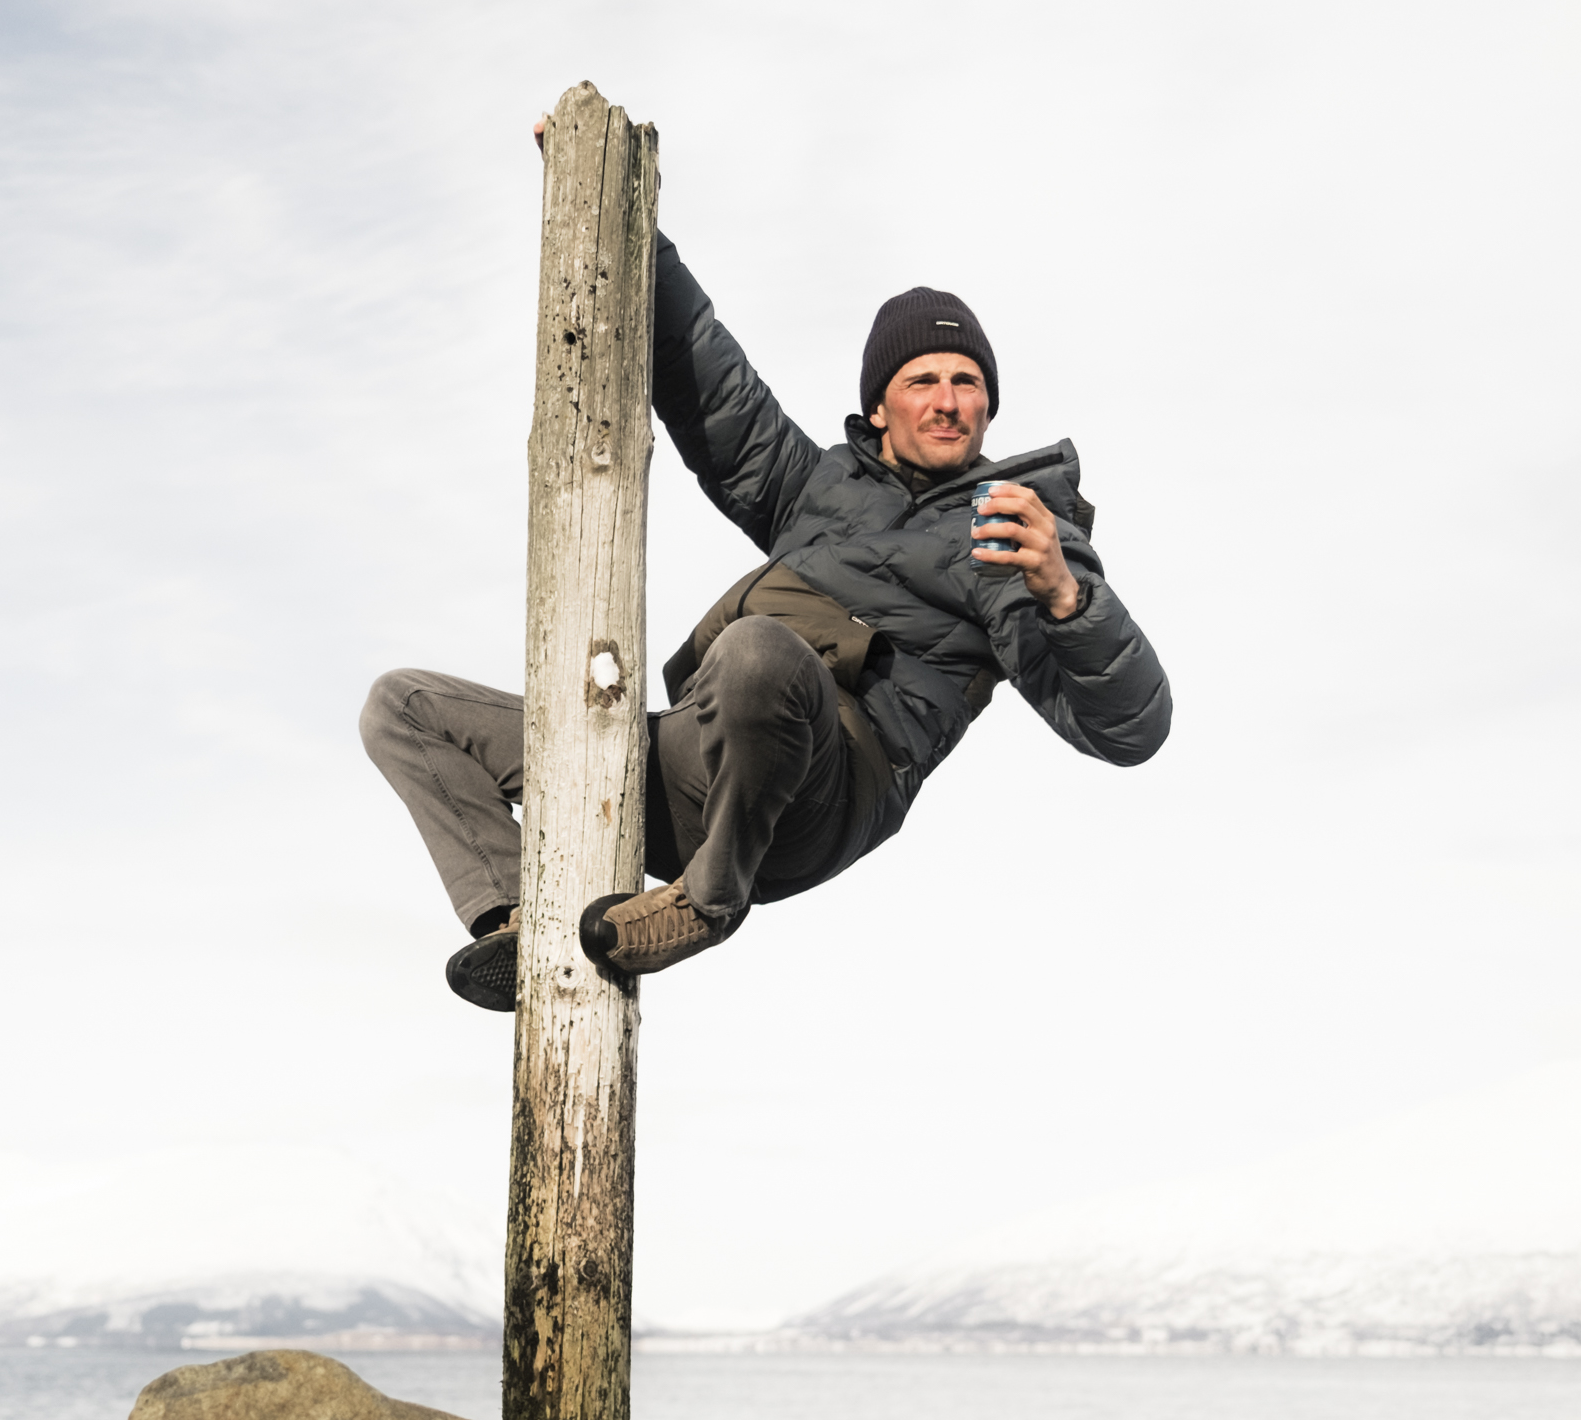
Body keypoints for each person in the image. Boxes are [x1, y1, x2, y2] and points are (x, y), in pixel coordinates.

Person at [361, 180, 1173, 1012]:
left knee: (756, 651)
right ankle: (517, 922)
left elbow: (1131, 730)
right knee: (405, 708)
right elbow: (706, 374)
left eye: (967, 382)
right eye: (922, 380)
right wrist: (614, 200)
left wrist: (1068, 597)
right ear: (879, 405)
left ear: (989, 404)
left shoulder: (1013, 530)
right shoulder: (812, 489)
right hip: (700, 756)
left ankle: (705, 903)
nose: (947, 401)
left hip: (823, 792)